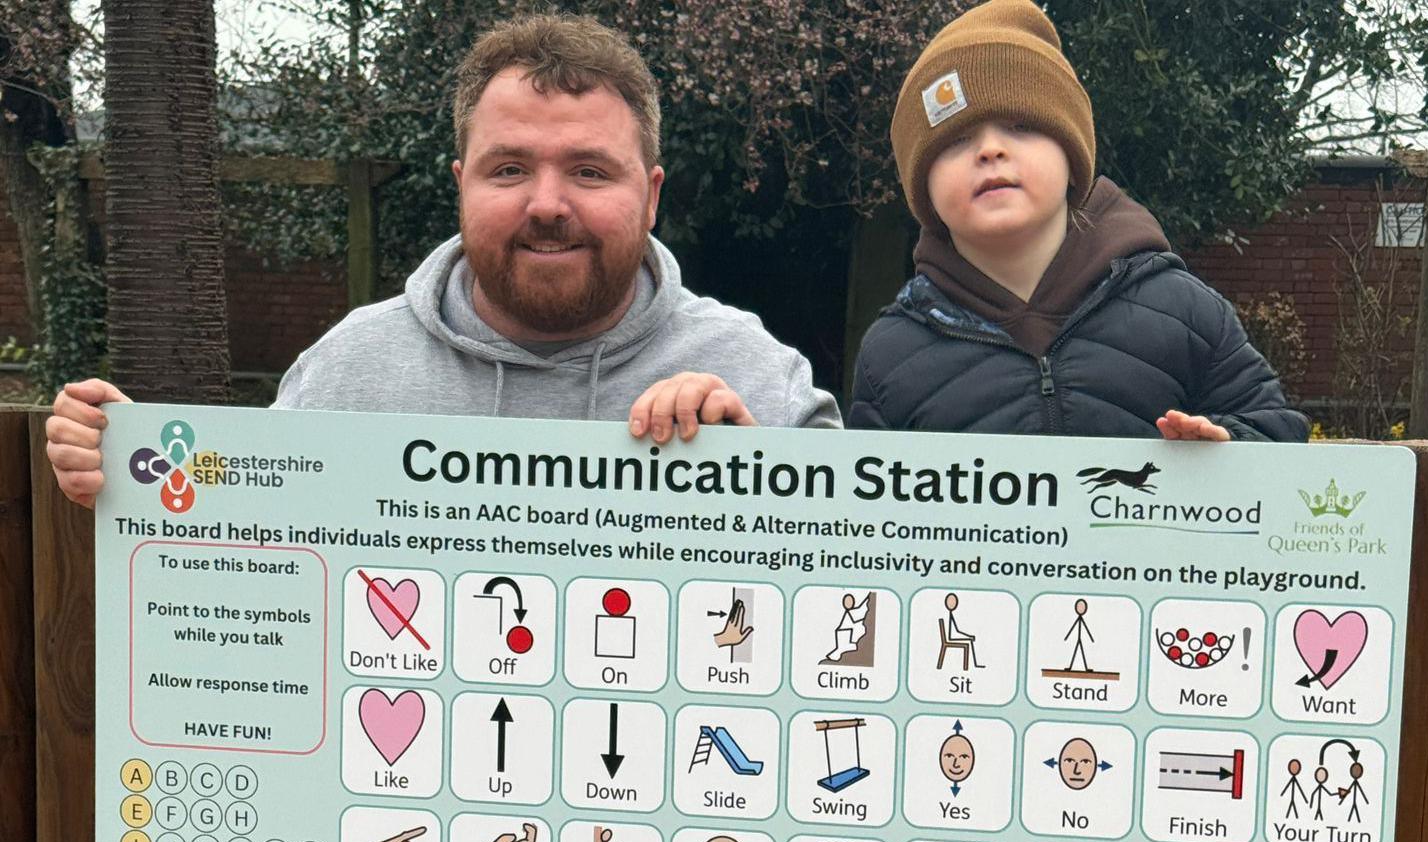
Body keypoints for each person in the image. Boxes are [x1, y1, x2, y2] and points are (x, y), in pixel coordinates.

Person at [45, 13, 840, 509]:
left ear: (653, 195)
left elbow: (865, 601)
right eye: (509, 169)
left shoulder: (755, 378)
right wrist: (132, 474)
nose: (548, 204)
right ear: (461, 186)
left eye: (590, 171)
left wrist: (760, 481)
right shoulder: (346, 372)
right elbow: (250, 565)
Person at [849, 0, 1306, 442]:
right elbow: (864, 510)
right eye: (957, 139)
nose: (989, 150)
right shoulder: (890, 354)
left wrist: (1228, 448)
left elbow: (1275, 431)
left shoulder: (1183, 310)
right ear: (921, 186)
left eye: (1021, 126)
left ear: (1073, 157)